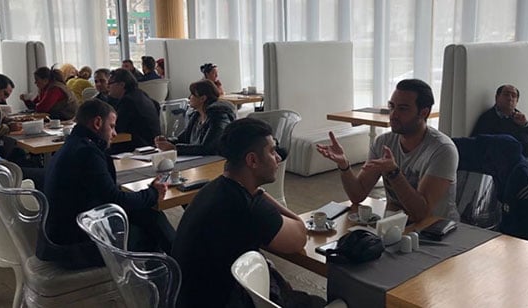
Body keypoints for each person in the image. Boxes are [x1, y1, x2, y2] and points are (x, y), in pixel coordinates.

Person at [172, 118, 324, 308]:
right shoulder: (249, 205)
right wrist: (260, 194)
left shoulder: (212, 188)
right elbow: (299, 237)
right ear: (252, 160)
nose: (278, 158)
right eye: (272, 151)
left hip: (186, 298)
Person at [39, 99, 174, 269]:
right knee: (150, 229)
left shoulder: (72, 146)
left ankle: (178, 266)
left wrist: (148, 195)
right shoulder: (87, 153)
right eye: (112, 126)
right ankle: (175, 270)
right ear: (97, 123)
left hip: (62, 234)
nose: (114, 133)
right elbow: (115, 200)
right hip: (75, 245)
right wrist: (153, 193)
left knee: (149, 215)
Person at [317, 79, 459, 222]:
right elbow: (357, 195)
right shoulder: (383, 142)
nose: (393, 114)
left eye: (403, 109)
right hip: (393, 225)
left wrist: (394, 173)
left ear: (423, 112)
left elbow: (421, 214)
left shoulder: (442, 150)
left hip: (436, 230)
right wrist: (344, 166)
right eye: (391, 106)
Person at [470, 84, 528, 222]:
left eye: (514, 96)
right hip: (521, 162)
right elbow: (478, 141)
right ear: (497, 98)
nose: (510, 98)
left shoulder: (516, 116)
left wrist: (525, 124)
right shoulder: (489, 118)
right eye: (506, 94)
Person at [154, 80, 236, 156]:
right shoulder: (196, 116)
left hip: (214, 162)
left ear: (203, 98)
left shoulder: (218, 116)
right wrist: (165, 141)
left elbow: (208, 148)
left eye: (192, 94)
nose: (189, 97)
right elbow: (183, 138)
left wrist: (175, 148)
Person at [107, 69, 161, 154]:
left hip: (138, 148)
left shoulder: (128, 101)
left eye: (110, 83)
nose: (108, 87)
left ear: (122, 84)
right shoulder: (141, 94)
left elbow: (117, 128)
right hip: (152, 144)